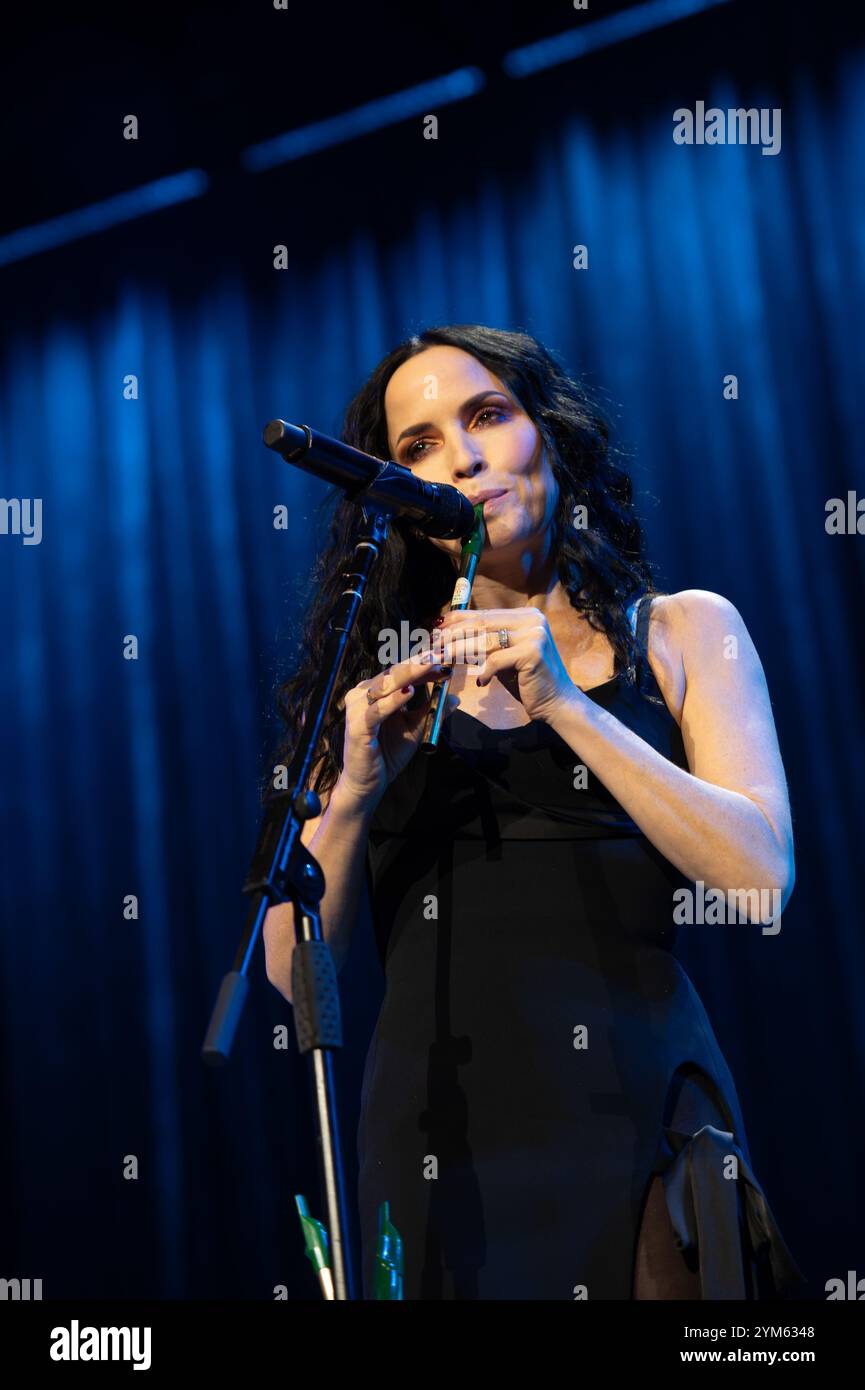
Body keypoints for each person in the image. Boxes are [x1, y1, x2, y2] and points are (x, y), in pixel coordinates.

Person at [263, 324, 804, 1301]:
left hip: (643, 1117)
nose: (461, 457)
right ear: (389, 488)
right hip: (439, 1145)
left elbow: (759, 881)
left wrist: (562, 701)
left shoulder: (683, 630)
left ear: (550, 434)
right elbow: (287, 969)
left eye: (486, 416)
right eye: (417, 445)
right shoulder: (367, 678)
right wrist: (350, 797)